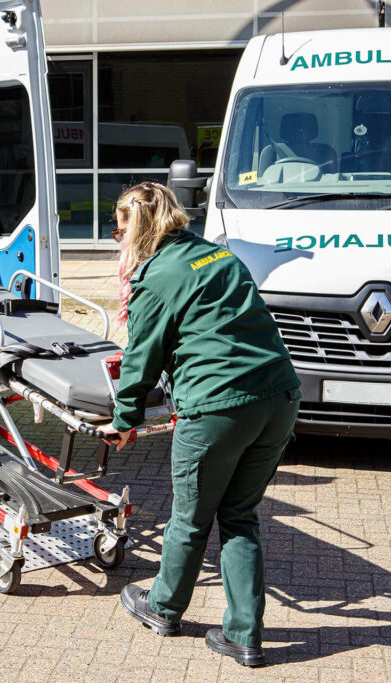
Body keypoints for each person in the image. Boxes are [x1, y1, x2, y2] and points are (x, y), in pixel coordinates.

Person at [96, 182, 300, 667]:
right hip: (279, 398)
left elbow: (141, 359)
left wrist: (124, 420)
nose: (118, 240)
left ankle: (163, 608)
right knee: (239, 515)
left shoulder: (157, 277)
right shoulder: (220, 256)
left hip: (217, 408)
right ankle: (244, 636)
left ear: (136, 227)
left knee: (190, 518)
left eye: (119, 231)